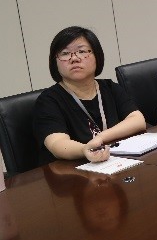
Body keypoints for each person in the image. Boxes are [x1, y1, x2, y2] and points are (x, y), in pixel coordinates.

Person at [34, 26, 147, 165]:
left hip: (115, 162)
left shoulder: (109, 87)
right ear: (55, 62)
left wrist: (101, 138)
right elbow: (57, 143)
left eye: (82, 51)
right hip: (74, 170)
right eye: (65, 53)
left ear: (97, 56)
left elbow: (137, 120)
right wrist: (85, 149)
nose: (74, 58)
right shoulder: (48, 100)